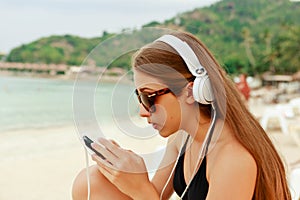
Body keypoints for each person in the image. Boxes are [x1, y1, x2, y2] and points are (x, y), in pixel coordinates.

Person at [72, 31, 291, 200]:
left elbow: (146, 196)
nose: (142, 111)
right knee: (92, 180)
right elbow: (153, 194)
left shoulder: (233, 159)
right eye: (139, 98)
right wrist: (127, 172)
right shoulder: (183, 139)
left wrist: (140, 188)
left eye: (149, 97)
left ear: (192, 91)